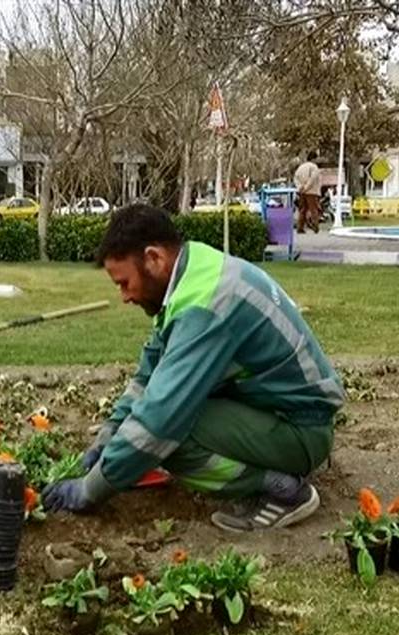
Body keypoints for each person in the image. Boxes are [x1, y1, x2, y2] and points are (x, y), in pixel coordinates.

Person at [40, 205, 345, 532]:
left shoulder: (205, 307)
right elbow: (148, 376)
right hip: (278, 413)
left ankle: (280, 490)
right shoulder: (193, 274)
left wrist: (89, 491)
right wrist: (106, 439)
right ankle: (272, 467)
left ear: (154, 258)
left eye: (125, 283)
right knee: (153, 425)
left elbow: (158, 423)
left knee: (167, 439)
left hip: (301, 430)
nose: (124, 296)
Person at [293, 151, 322, 232]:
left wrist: (300, 187)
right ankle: (315, 226)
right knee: (313, 209)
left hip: (301, 192)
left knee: (302, 210)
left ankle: (300, 227)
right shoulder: (314, 167)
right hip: (312, 192)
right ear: (314, 159)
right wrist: (306, 187)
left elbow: (296, 178)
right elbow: (312, 179)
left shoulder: (301, 167)